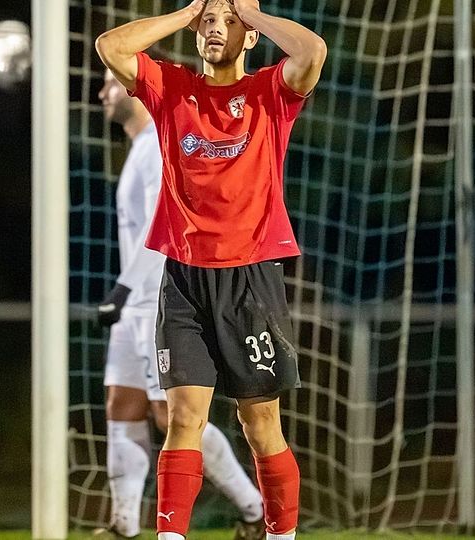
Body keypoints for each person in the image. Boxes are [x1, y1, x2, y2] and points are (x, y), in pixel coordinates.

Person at [96, 1, 326, 539]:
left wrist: (250, 13)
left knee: (260, 423)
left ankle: (279, 532)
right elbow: (112, 46)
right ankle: (169, 536)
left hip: (250, 280)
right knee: (181, 419)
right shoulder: (172, 88)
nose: (215, 29)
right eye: (209, 23)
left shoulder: (270, 93)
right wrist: (190, 12)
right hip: (181, 281)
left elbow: (312, 51)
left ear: (249, 38)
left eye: (228, 23)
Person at [94, 63, 268, 540]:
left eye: (111, 82)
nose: (102, 91)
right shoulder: (138, 148)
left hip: (156, 300)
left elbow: (164, 228)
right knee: (121, 404)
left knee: (170, 415)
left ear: (134, 89)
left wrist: (126, 290)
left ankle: (254, 511)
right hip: (134, 303)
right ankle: (123, 525)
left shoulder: (159, 147)